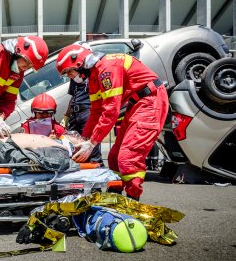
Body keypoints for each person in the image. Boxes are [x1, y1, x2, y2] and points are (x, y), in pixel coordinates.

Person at [56, 43, 169, 200]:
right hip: (137, 103)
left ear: (79, 62)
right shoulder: (94, 77)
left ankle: (132, 202)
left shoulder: (106, 69)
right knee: (114, 158)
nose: (69, 76)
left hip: (150, 101)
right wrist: (85, 140)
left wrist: (92, 143)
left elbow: (111, 111)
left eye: (69, 71)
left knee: (128, 158)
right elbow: (96, 112)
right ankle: (115, 196)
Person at [61, 72, 103, 165]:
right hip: (75, 114)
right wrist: (66, 117)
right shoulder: (74, 77)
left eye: (69, 73)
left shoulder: (91, 74)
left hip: (88, 112)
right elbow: (73, 97)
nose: (69, 75)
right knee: (73, 146)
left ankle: (98, 170)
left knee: (91, 149)